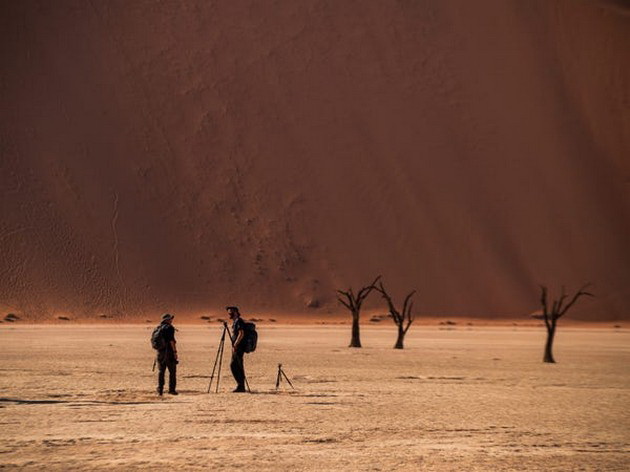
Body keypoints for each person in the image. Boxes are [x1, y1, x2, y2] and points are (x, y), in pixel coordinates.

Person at [156, 313, 178, 396]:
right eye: (170, 319)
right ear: (167, 320)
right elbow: (171, 341)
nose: (171, 320)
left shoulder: (158, 328)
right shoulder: (170, 328)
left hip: (160, 352)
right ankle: (171, 390)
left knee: (161, 371)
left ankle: (160, 390)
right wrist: (175, 352)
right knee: (172, 371)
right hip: (169, 352)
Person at [226, 306, 247, 393]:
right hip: (236, 347)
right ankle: (240, 386)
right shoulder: (236, 321)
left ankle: (241, 386)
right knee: (236, 365)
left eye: (230, 313)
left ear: (235, 312)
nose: (229, 314)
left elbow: (241, 333)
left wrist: (235, 344)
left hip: (239, 347)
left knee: (235, 365)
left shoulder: (239, 321)